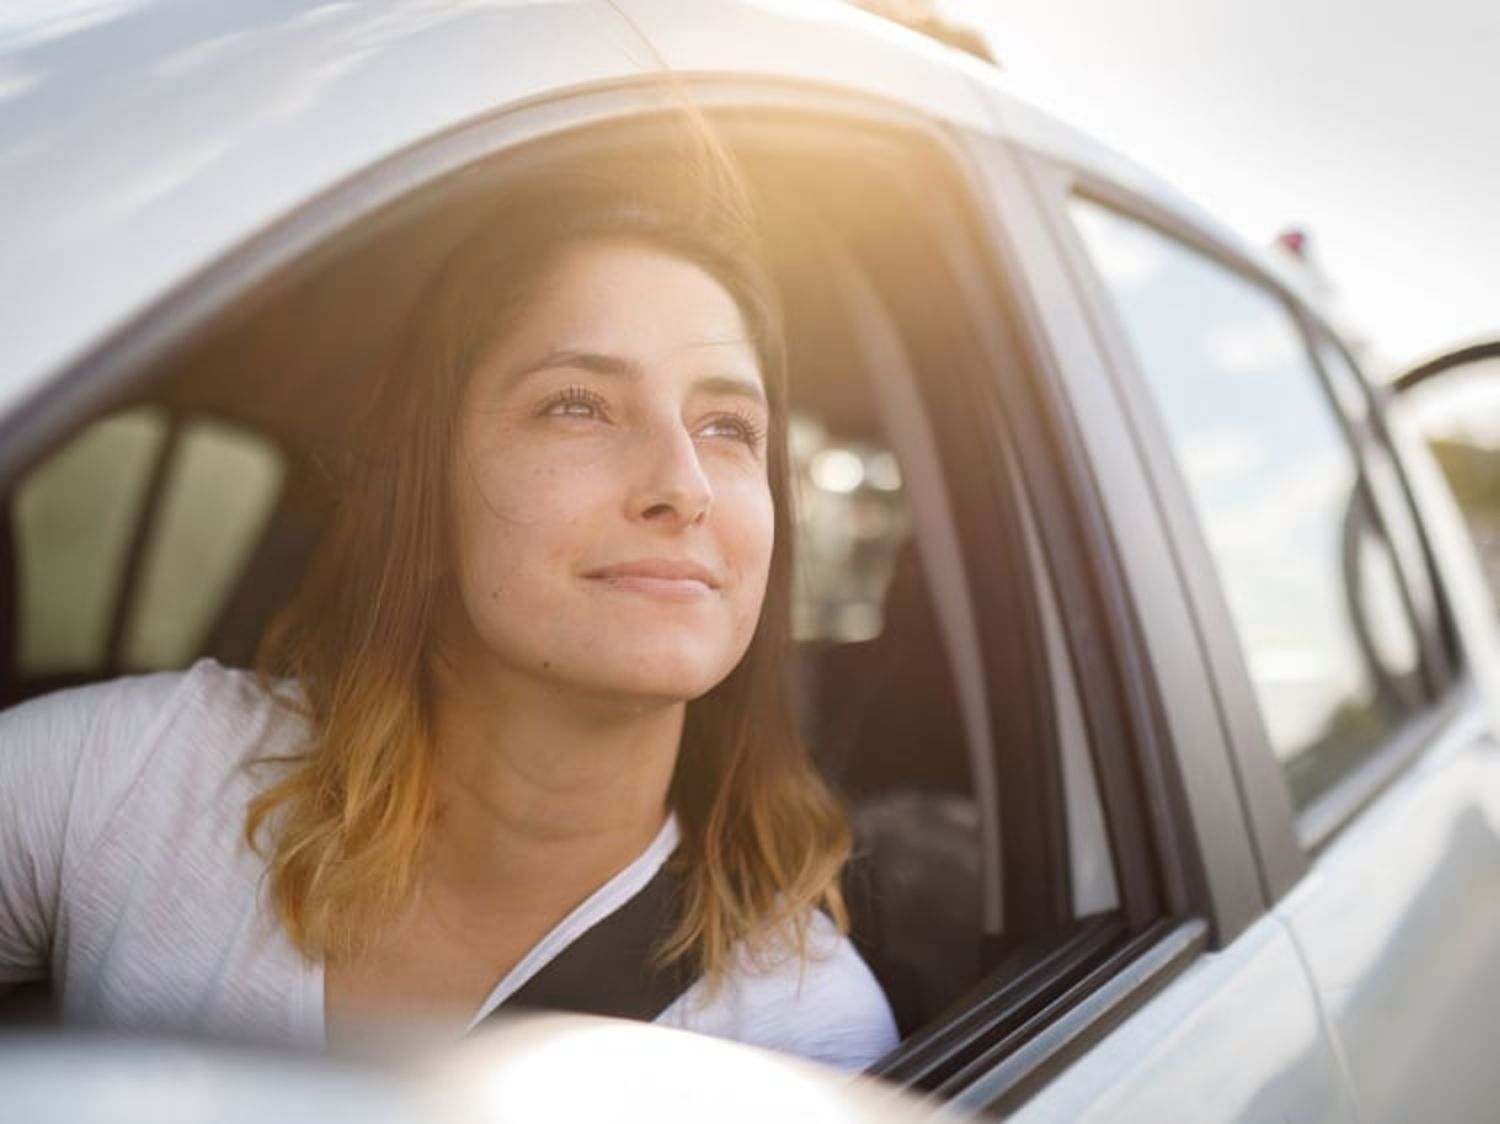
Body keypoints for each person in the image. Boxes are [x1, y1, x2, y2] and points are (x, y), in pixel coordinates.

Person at [0, 144, 898, 1070]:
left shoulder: (805, 1042)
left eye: (728, 427)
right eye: (579, 405)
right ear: (425, 490)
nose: (684, 484)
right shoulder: (134, 788)